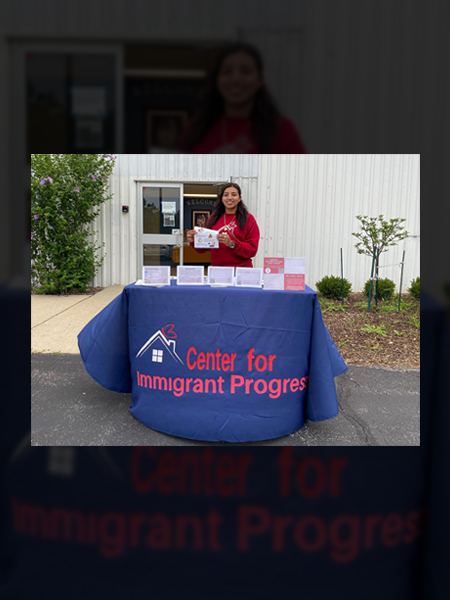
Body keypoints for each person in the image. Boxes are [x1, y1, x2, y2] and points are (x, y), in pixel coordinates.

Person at [179, 43, 306, 154]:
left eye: (246, 72)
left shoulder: (281, 129)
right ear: (216, 80)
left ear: (259, 80)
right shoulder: (195, 128)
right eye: (227, 72)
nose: (236, 79)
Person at [186, 182, 259, 267]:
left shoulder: (248, 219)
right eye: (226, 195)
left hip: (241, 271)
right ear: (221, 198)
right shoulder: (214, 218)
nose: (230, 198)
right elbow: (203, 248)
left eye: (234, 194)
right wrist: (194, 240)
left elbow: (252, 249)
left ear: (239, 198)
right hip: (218, 270)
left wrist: (232, 243)